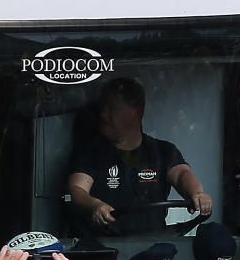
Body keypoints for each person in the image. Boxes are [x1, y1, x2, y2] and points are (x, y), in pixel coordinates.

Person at [66, 76, 213, 236]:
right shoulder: (91, 152)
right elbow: (76, 189)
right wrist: (93, 205)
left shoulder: (163, 151)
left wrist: (197, 194)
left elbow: (181, 174)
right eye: (102, 108)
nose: (103, 114)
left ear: (137, 111)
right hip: (104, 250)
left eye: (111, 108)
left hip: (153, 251)